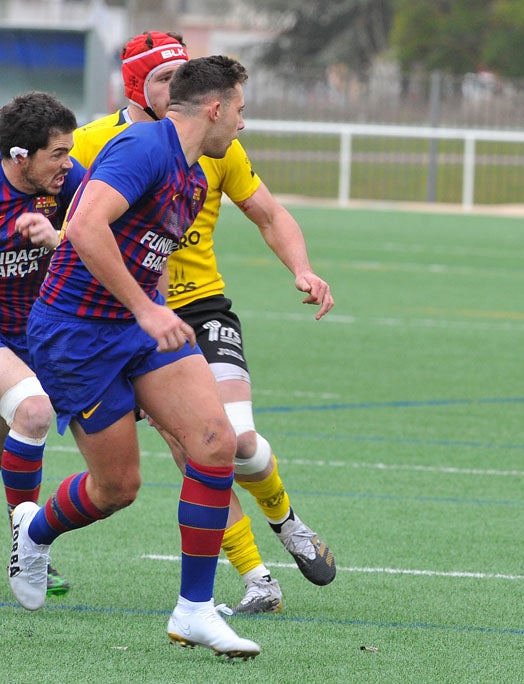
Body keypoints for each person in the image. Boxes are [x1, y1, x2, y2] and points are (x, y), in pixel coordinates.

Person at [72, 31, 336, 615]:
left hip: (201, 308)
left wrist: (303, 268)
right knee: (196, 449)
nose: (175, 88)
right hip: (125, 316)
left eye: (181, 76)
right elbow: (58, 210)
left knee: (239, 441)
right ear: (137, 85)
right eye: (162, 78)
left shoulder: (216, 144)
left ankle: (285, 520)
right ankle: (257, 580)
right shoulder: (97, 143)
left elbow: (267, 212)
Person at [10, 55, 260, 659]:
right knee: (117, 487)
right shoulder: (142, 147)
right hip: (75, 334)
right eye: (242, 111)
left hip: (139, 328)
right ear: (216, 108)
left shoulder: (196, 175)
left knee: (214, 442)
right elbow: (89, 225)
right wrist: (147, 311)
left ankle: (194, 610)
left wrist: (156, 312)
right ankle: (33, 531)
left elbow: (150, 252)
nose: (244, 126)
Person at [0, 92, 86, 598]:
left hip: (39, 335)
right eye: (57, 153)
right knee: (32, 414)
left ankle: (24, 546)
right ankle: (28, 548)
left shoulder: (66, 185)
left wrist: (60, 233)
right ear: (19, 157)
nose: (68, 163)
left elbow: (106, 230)